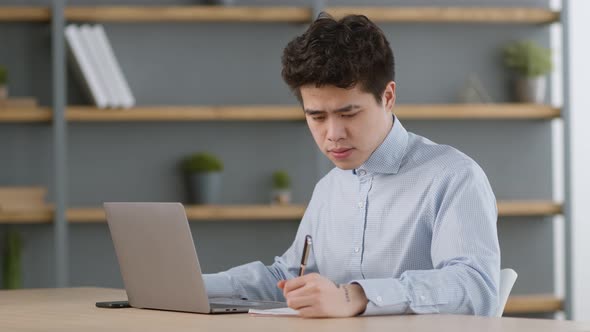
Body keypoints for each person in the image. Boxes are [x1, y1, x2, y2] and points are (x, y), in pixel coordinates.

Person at [203, 13, 500, 318]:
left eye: (349, 114)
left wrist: (355, 296)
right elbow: (286, 278)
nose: (332, 135)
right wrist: (193, 286)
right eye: (317, 117)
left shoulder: (453, 176)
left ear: (388, 96)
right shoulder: (329, 188)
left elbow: (475, 286)